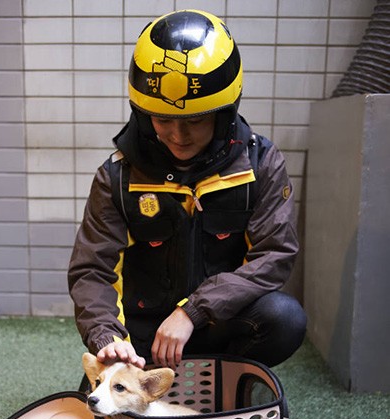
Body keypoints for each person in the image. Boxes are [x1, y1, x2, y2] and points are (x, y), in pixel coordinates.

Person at [68, 9, 307, 370]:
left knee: (284, 318)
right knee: (107, 412)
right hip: (142, 336)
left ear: (224, 112)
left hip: (216, 324)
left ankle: (230, 379)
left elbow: (273, 256)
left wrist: (193, 311)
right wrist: (109, 340)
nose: (178, 136)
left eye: (195, 120)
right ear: (142, 112)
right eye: (163, 119)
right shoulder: (115, 176)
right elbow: (92, 271)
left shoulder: (262, 164)